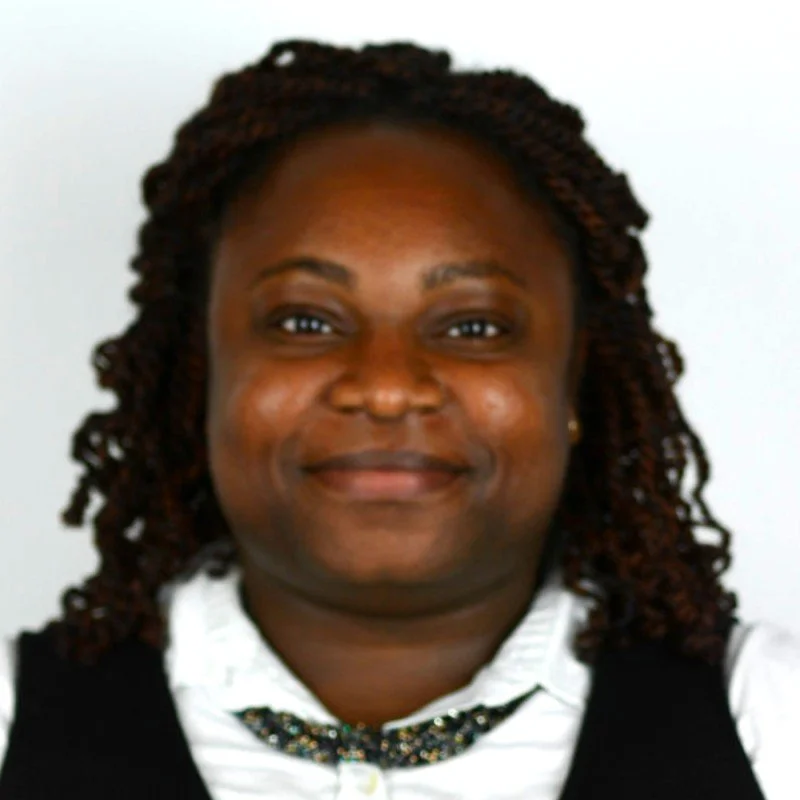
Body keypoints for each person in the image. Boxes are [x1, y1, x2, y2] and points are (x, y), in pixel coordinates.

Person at [0, 39, 796, 800]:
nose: (385, 389)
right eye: (305, 321)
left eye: (473, 326)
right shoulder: (15, 720)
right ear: (199, 373)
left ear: (574, 381)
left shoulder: (769, 718)